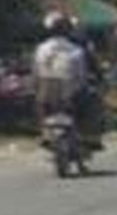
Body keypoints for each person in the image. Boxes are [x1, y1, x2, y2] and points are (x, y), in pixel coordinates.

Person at [33, 11, 105, 151]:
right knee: (93, 100)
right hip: (72, 93)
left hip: (47, 94)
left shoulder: (41, 49)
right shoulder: (77, 49)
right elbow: (83, 74)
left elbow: (36, 72)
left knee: (38, 103)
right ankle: (90, 136)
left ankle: (44, 132)